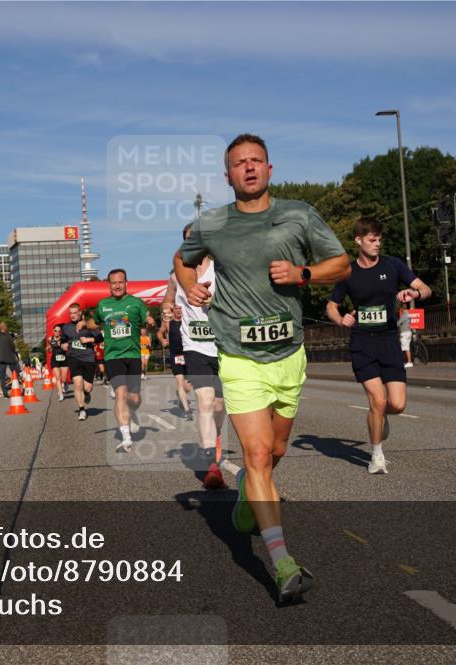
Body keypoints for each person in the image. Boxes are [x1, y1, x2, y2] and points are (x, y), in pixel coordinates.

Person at [175, 133, 351, 604]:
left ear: (270, 169)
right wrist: (191, 286)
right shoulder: (211, 223)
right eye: (239, 163)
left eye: (256, 161)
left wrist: (303, 274)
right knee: (255, 457)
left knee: (274, 453)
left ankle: (245, 499)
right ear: (227, 175)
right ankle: (282, 564)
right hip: (237, 354)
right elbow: (182, 258)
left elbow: (341, 262)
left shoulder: (299, 214)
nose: (249, 168)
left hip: (289, 354)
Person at [326, 217, 432, 475]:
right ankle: (377, 455)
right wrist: (341, 318)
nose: (377, 244)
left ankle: (381, 418)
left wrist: (413, 294)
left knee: (397, 404)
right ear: (358, 241)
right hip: (362, 342)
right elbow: (331, 305)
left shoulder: (393, 265)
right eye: (372, 240)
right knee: (377, 399)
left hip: (388, 341)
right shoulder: (348, 273)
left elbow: (426, 289)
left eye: (379, 240)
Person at [167, 222, 227, 490]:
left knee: (219, 406)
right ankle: (210, 465)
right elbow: (167, 301)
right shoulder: (176, 275)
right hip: (195, 347)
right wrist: (171, 312)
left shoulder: (221, 270)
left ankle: (213, 440)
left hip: (223, 346)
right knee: (204, 400)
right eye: (187, 241)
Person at [93, 269, 155, 452]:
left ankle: (132, 411)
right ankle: (126, 437)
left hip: (133, 355)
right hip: (113, 356)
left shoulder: (136, 303)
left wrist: (150, 319)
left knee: (134, 398)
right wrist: (84, 325)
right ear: (109, 284)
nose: (117, 286)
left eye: (121, 282)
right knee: (120, 394)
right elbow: (95, 321)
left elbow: (147, 317)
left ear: (126, 283)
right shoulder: (102, 305)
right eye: (114, 283)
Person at [61, 303, 103, 421]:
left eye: (75, 313)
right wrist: (63, 344)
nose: (72, 315)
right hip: (74, 357)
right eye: (70, 313)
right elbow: (64, 337)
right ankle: (81, 410)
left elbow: (100, 338)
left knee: (87, 388)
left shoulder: (88, 325)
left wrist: (89, 339)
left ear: (80, 313)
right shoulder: (67, 327)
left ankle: (87, 393)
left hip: (88, 358)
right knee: (77, 384)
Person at [157, 301, 192, 419]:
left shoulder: (188, 321)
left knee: (187, 387)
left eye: (180, 308)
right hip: (175, 356)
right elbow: (159, 333)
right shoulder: (168, 323)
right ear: (173, 310)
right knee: (180, 383)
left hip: (188, 355)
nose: (178, 310)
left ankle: (180, 395)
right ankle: (187, 410)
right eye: (176, 308)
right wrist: (162, 340)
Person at [0, 322, 19, 398]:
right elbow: (13, 347)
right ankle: (15, 389)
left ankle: (5, 393)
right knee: (15, 374)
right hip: (10, 358)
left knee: (2, 376)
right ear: (4, 327)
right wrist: (15, 355)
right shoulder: (9, 336)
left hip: (1, 358)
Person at [47, 324, 70, 402]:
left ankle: (65, 383)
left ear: (61, 332)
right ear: (53, 331)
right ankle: (61, 394)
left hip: (64, 359)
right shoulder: (50, 339)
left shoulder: (64, 338)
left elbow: (66, 346)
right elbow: (50, 347)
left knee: (63, 378)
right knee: (57, 377)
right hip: (55, 360)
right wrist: (48, 348)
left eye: (59, 331)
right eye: (55, 330)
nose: (57, 332)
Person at [398, 303, 413, 368]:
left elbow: (398, 323)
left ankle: (409, 362)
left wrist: (398, 325)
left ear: (402, 309)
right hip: (409, 332)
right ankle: (407, 361)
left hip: (404, 333)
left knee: (405, 348)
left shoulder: (404, 315)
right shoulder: (409, 314)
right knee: (407, 347)